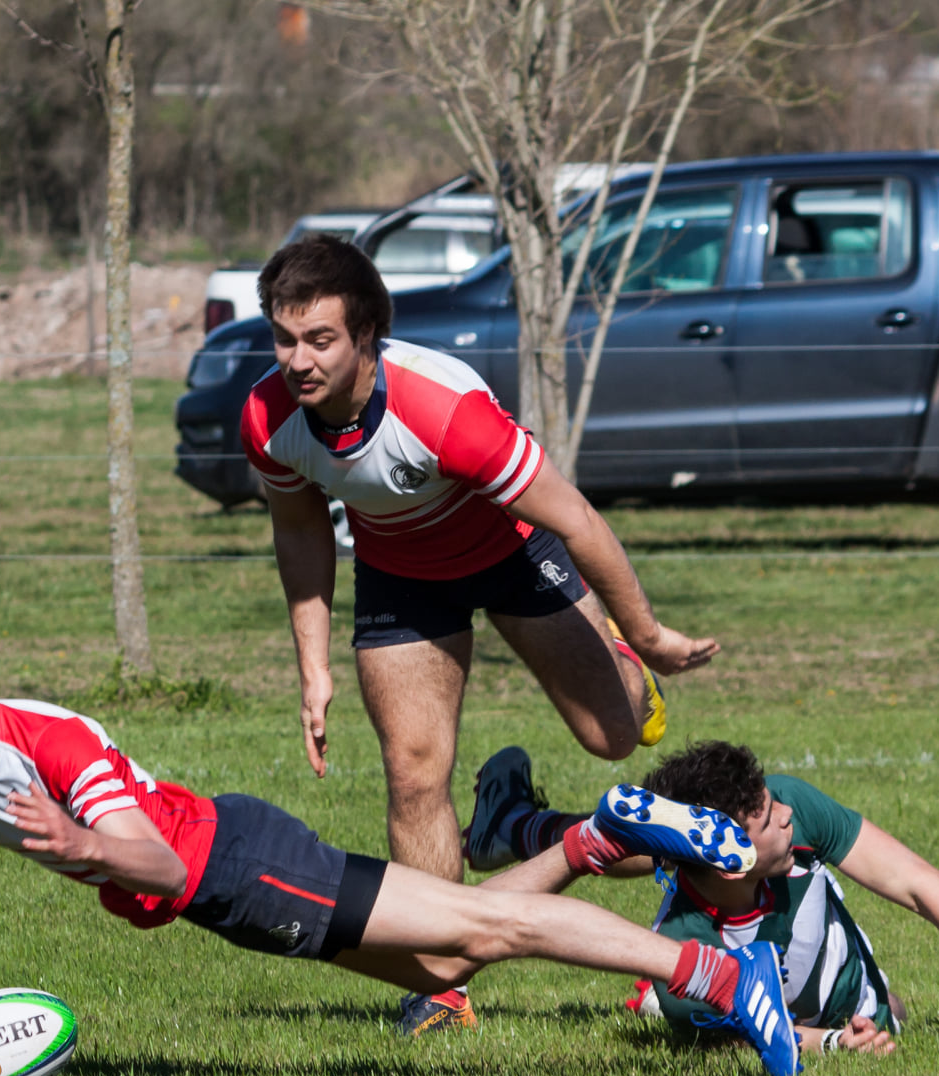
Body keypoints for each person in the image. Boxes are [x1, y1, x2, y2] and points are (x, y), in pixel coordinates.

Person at [0, 600, 801, 1076]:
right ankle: (595, 840)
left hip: (239, 863)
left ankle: (718, 977)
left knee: (485, 934)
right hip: (221, 898)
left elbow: (155, 860)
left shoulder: (50, 743)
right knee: (443, 963)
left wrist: (78, 845)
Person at [239, 233, 719, 1034]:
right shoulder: (266, 417)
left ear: (367, 334)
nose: (297, 361)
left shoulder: (443, 408)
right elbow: (299, 528)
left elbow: (577, 520)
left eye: (319, 339)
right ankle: (439, 985)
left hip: (513, 555)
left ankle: (525, 809)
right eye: (284, 340)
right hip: (399, 578)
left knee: (614, 735)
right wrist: (312, 668)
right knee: (413, 772)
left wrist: (648, 634)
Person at [461, 741, 939, 1054]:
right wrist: (832, 1044)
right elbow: (748, 1040)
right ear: (728, 852)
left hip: (853, 995)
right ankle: (524, 828)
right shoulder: (683, 951)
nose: (788, 814)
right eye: (768, 817)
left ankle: (511, 824)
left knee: (635, 846)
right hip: (718, 978)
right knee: (626, 855)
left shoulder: (790, 810)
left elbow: (921, 882)